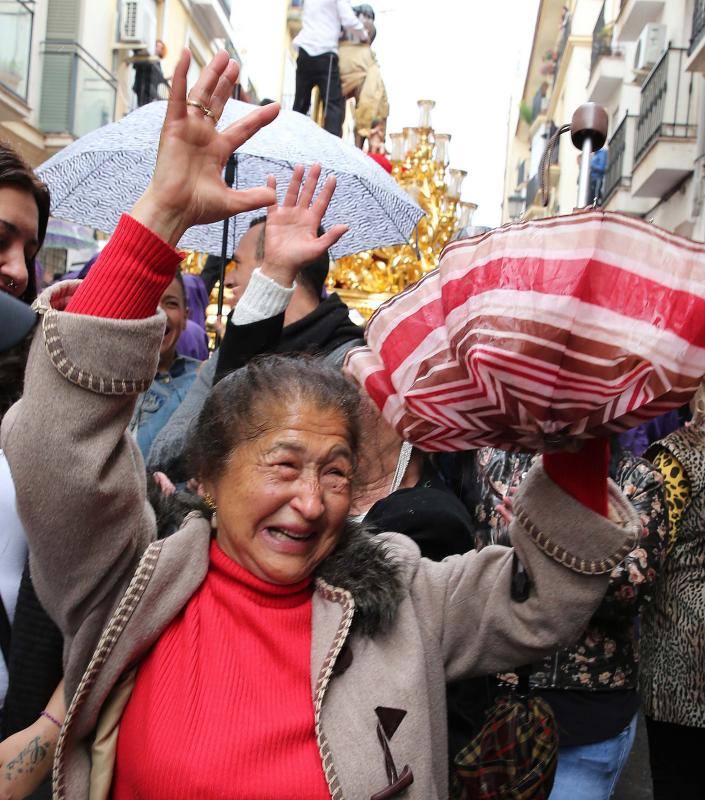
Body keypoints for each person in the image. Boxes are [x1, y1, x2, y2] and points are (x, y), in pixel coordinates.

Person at [2, 50, 640, 799]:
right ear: (205, 478)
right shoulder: (131, 583)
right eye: (282, 465)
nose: (312, 501)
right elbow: (56, 446)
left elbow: (537, 604)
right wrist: (158, 218)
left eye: (336, 471)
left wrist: (580, 420)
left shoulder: (402, 598)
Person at [460, 442, 666, 800]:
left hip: (586, 716)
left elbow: (633, 590)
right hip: (498, 706)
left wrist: (553, 543)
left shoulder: (635, 480)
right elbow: (473, 557)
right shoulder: (492, 462)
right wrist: (514, 538)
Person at [146, 205, 363, 481]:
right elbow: (162, 458)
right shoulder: (230, 355)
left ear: (274, 264)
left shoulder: (347, 364)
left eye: (237, 264)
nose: (230, 279)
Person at [640, 384, 705, 800]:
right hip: (684, 658)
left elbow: (645, 552)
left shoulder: (675, 458)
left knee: (680, 779)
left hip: (680, 661)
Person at [127, 271, 202, 461]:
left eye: (171, 304)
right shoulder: (106, 376)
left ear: (186, 317)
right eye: (150, 301)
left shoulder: (201, 380)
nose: (160, 313)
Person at [293, 0, 368, 136]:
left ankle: (293, 141)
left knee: (300, 105)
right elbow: (349, 20)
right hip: (325, 53)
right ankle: (330, 151)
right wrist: (364, 35)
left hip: (304, 51)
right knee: (333, 106)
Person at [338, 5, 389, 149]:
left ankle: (361, 141)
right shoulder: (353, 43)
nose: (366, 22)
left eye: (369, 18)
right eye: (364, 17)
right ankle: (361, 142)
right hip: (356, 72)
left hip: (360, 81)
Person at [131, 39, 170, 107]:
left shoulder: (156, 64)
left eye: (159, 46)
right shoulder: (150, 59)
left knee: (143, 107)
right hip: (142, 87)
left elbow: (157, 79)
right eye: (156, 45)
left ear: (162, 50)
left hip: (147, 91)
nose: (156, 48)